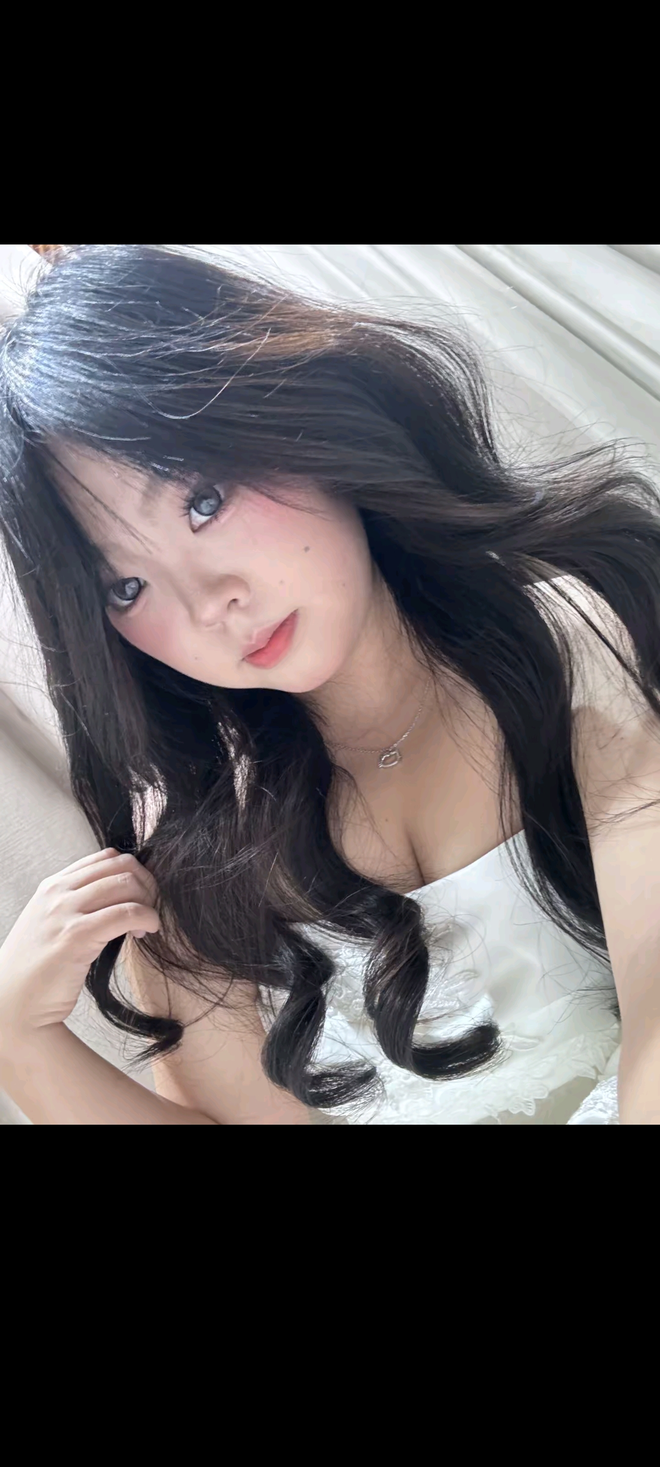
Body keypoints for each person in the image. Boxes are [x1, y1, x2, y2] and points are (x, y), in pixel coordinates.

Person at [1, 242, 660, 1125]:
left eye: (203, 501)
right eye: (125, 586)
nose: (209, 603)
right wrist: (20, 1041)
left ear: (289, 414)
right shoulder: (203, 872)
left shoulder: (583, 637)